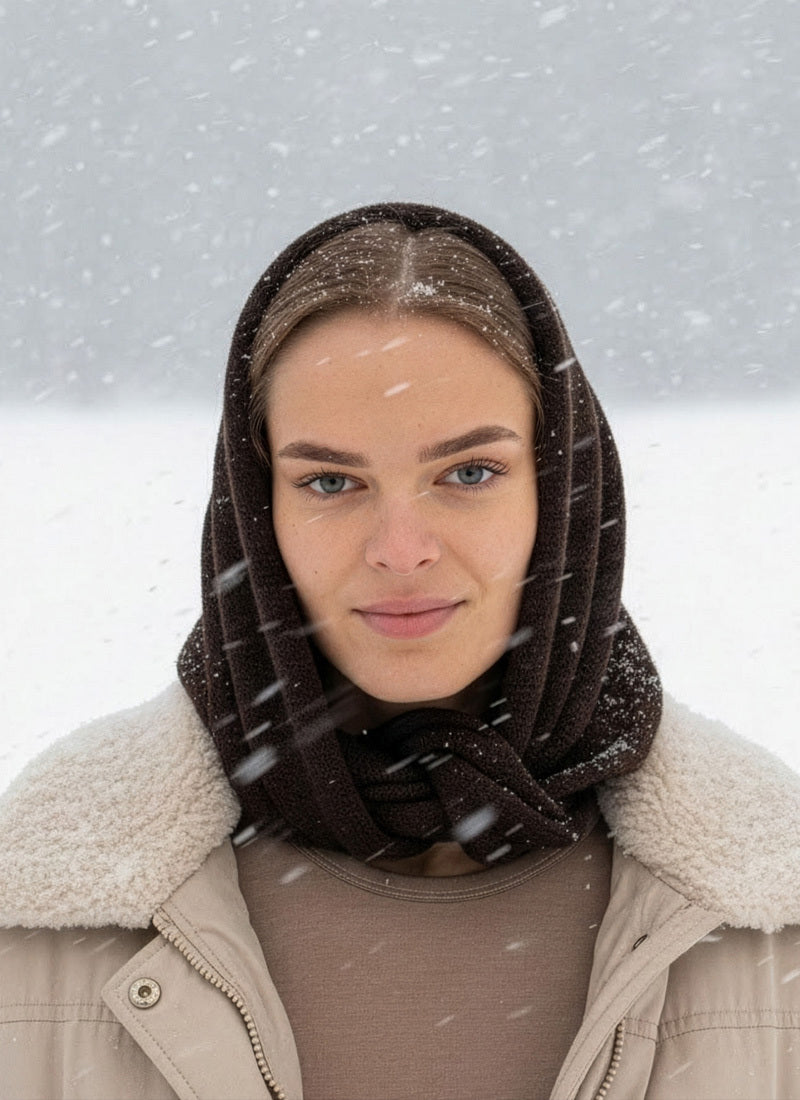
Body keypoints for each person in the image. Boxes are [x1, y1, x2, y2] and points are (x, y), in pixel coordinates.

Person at [1, 202, 798, 1100]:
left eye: (469, 473)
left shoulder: (771, 908)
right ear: (257, 516)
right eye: (331, 481)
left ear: (562, 489)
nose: (401, 548)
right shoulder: (38, 914)